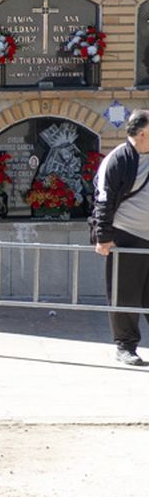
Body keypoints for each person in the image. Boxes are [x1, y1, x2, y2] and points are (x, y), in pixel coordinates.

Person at [90, 108, 149, 366]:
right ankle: (125, 346)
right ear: (144, 133)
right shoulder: (118, 159)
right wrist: (102, 237)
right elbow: (103, 200)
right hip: (127, 236)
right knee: (125, 294)